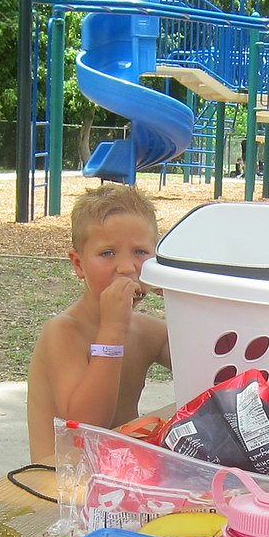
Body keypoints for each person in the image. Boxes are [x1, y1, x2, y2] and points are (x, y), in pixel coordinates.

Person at [25, 184, 171, 462]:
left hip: (119, 473)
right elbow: (86, 428)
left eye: (140, 252)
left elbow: (209, 366)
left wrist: (182, 302)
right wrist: (112, 331)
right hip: (57, 481)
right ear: (79, 264)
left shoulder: (146, 331)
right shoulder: (63, 332)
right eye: (107, 253)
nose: (126, 267)